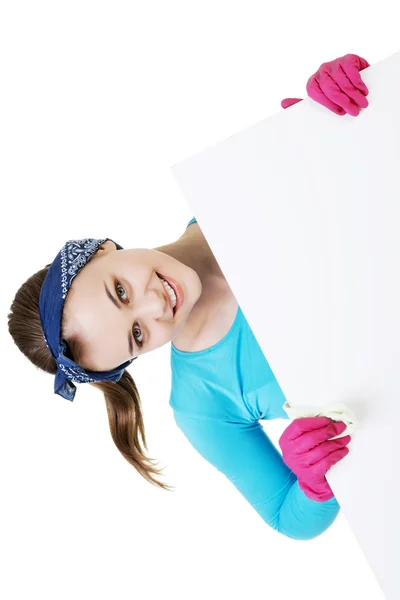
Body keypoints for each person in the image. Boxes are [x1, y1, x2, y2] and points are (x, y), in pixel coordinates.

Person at [7, 53, 370, 541]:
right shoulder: (203, 405)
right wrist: (316, 484)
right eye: (137, 335)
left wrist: (340, 108)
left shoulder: (241, 181)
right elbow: (289, 516)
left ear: (104, 249)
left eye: (120, 290)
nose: (156, 306)